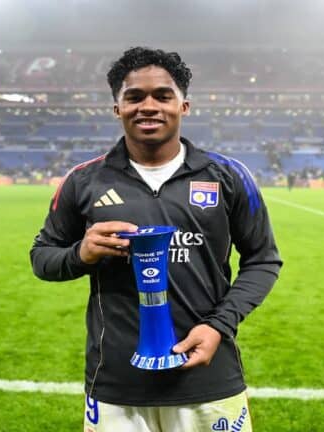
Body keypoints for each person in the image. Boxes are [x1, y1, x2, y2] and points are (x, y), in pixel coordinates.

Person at [29, 47, 282, 432]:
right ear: (117, 108)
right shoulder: (83, 181)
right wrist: (81, 253)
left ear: (184, 106)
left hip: (208, 378)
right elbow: (42, 257)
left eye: (163, 96)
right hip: (117, 385)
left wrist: (219, 326)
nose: (148, 106)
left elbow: (263, 260)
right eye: (134, 97)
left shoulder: (228, 176)